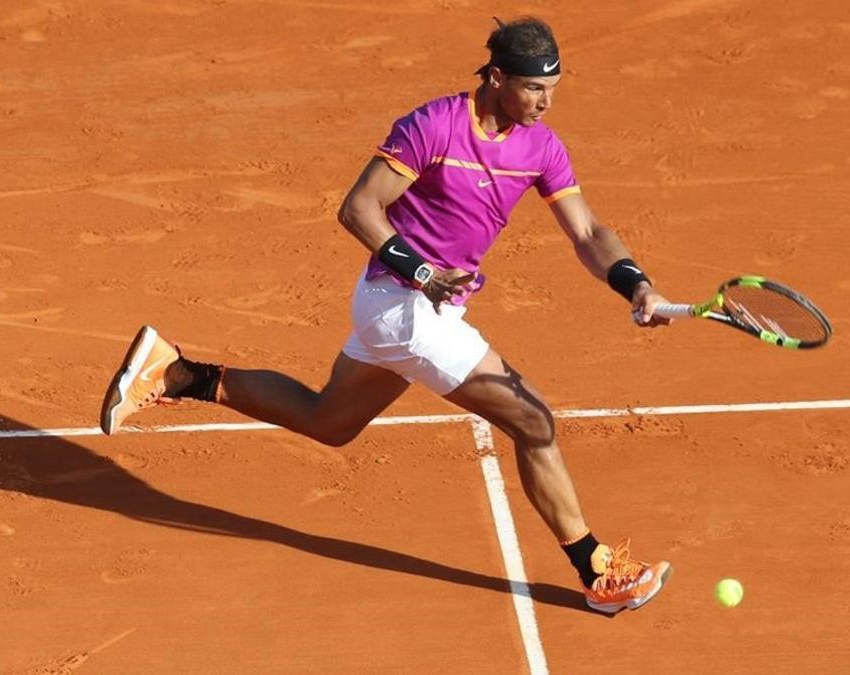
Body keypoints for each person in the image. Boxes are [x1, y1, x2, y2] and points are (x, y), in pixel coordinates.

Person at [99, 16, 672, 615]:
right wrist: (422, 271)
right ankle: (597, 570)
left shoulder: (542, 147)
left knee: (330, 421)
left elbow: (587, 231)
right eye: (533, 88)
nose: (545, 101)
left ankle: (178, 373)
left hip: (419, 312)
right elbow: (359, 208)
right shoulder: (435, 125)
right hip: (404, 305)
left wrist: (637, 284)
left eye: (553, 88)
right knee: (533, 422)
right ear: (497, 77)